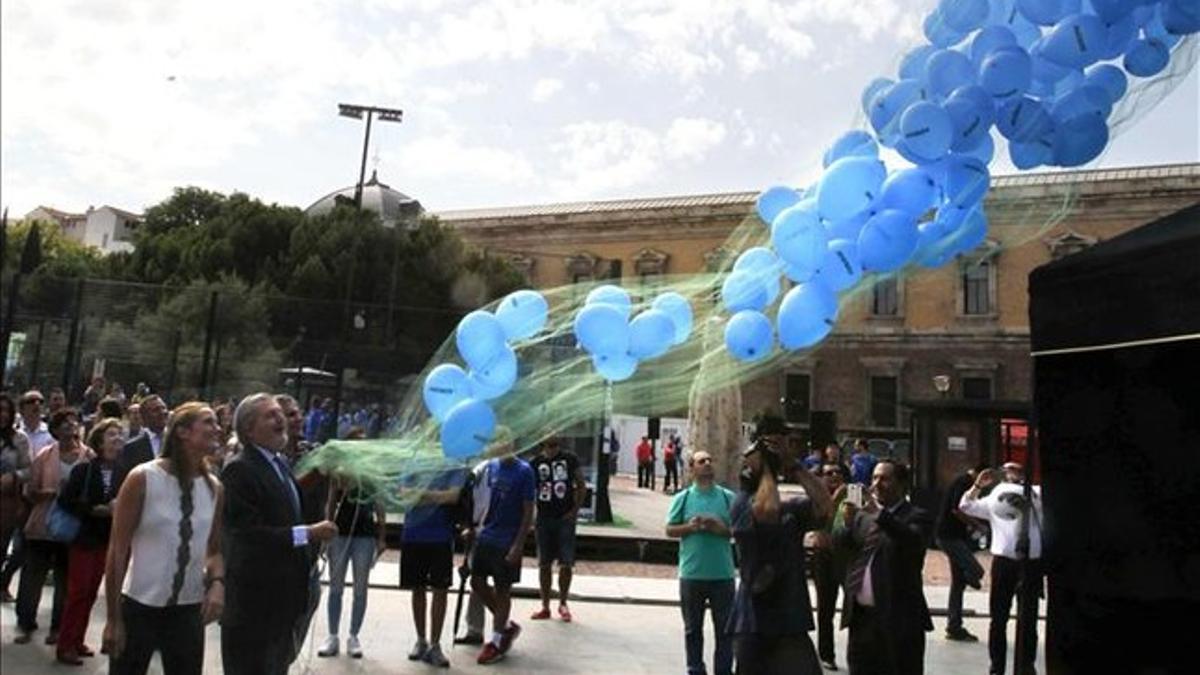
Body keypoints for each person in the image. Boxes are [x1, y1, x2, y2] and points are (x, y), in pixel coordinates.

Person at [102, 402, 225, 675]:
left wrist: (217, 583)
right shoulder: (143, 478)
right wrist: (113, 619)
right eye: (208, 421)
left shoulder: (214, 488)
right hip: (139, 608)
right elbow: (117, 550)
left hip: (188, 612)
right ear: (182, 431)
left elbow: (214, 550)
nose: (217, 428)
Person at [219, 393, 338, 675]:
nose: (280, 420)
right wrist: (307, 533)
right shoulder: (240, 469)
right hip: (254, 607)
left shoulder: (279, 464)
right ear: (249, 429)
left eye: (280, 414)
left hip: (281, 606)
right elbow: (248, 536)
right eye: (270, 415)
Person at [729, 440, 831, 675]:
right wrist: (766, 468)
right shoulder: (741, 503)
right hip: (754, 621)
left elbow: (824, 506)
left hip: (790, 618)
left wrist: (795, 466)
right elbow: (767, 511)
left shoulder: (790, 510)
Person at [836, 460, 933, 675]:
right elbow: (844, 549)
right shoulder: (863, 516)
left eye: (885, 479)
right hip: (862, 620)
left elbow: (911, 542)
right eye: (874, 478)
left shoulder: (916, 516)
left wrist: (879, 514)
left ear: (902, 485)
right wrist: (847, 523)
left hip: (899, 621)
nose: (877, 484)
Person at [15, 407, 91, 645]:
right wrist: (48, 493)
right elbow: (29, 491)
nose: (71, 427)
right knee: (32, 577)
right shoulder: (45, 456)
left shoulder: (89, 457)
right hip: (42, 526)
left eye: (74, 422)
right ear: (56, 430)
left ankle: (58, 627)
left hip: (71, 529)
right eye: (65, 424)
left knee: (64, 579)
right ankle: (26, 624)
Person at [959, 463, 1044, 675]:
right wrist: (978, 485)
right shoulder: (995, 495)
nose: (1011, 472)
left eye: (1016, 468)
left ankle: (1026, 666)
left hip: (1030, 562)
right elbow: (965, 505)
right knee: (998, 618)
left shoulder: (1036, 493)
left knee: (1028, 619)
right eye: (1007, 469)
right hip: (1004, 561)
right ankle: (997, 667)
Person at [56, 418, 123, 664]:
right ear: (99, 441)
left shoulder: (124, 472)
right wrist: (97, 509)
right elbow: (66, 502)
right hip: (84, 538)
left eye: (120, 435)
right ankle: (65, 644)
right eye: (112, 435)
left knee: (92, 592)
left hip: (106, 540)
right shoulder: (84, 470)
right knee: (78, 592)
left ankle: (77, 640)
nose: (118, 439)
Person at [665, 449, 737, 675]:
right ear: (692, 468)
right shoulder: (683, 498)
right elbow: (669, 529)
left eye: (710, 460)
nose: (707, 464)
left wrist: (720, 528)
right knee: (692, 629)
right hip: (692, 575)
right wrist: (690, 527)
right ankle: (695, 669)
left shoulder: (728, 497)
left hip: (722, 575)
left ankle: (723, 671)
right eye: (701, 461)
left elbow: (740, 530)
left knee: (725, 630)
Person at [469, 430, 534, 665]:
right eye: (495, 441)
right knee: (476, 582)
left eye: (503, 441)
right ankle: (506, 625)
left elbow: (528, 511)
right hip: (487, 535)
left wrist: (518, 545)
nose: (499, 445)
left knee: (503, 587)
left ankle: (496, 641)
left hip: (508, 539)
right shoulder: (492, 467)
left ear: (512, 443)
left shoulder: (524, 471)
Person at [395, 462, 467, 668]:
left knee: (440, 589)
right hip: (413, 534)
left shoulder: (453, 463)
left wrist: (420, 495)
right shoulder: (413, 460)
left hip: (441, 536)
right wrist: (437, 496)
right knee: (417, 588)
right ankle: (421, 639)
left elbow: (453, 496)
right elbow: (404, 494)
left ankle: (435, 645)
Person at [316, 469, 387, 660]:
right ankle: (332, 635)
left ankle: (354, 636)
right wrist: (326, 534)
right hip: (339, 534)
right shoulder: (339, 473)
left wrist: (381, 537)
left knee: (360, 589)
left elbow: (380, 506)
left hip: (365, 535)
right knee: (335, 587)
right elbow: (331, 504)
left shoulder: (372, 473)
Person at [529, 436, 586, 622]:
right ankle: (545, 605)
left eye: (555, 445)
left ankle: (563, 602)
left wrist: (574, 510)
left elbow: (580, 484)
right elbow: (530, 490)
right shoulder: (536, 463)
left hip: (564, 517)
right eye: (549, 445)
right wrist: (533, 514)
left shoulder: (570, 459)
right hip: (544, 517)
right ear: (543, 445)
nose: (552, 449)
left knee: (566, 562)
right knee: (544, 563)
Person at [937, 464, 986, 643]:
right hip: (949, 536)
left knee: (957, 584)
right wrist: (976, 524)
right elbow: (956, 509)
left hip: (953, 535)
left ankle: (954, 626)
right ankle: (969, 578)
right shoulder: (963, 482)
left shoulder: (963, 482)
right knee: (977, 571)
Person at [810, 462, 851, 670]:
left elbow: (858, 523)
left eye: (838, 472)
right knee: (825, 608)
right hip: (825, 557)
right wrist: (835, 499)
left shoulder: (852, 496)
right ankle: (826, 653)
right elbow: (821, 525)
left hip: (848, 556)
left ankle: (857, 654)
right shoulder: (817, 499)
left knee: (854, 608)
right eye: (828, 473)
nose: (834, 476)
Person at [0, 392, 32, 603]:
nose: (2, 414)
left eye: (6, 411)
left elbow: (29, 469)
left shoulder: (19, 439)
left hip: (6, 504)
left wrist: (14, 476)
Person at [115, 395, 167, 486]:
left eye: (164, 408)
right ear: (144, 417)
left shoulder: (181, 441)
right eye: (156, 410)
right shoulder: (131, 448)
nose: (162, 412)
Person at [16, 390, 53, 456]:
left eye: (41, 401)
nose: (37, 404)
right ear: (21, 409)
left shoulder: (51, 432)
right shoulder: (14, 432)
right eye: (31, 401)